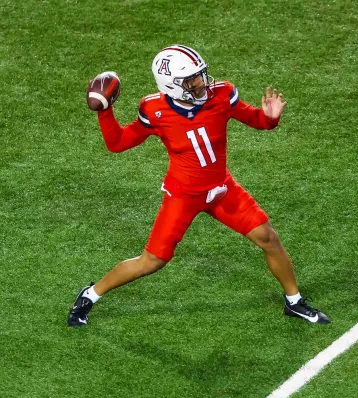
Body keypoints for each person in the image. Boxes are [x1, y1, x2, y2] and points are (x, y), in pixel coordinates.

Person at [68, 44, 330, 327]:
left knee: (268, 238)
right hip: (183, 196)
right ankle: (91, 294)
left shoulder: (222, 94)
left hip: (221, 189)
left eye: (200, 75)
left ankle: (294, 302)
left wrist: (270, 117)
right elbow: (117, 143)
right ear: (171, 85)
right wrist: (104, 112)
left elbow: (257, 121)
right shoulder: (154, 109)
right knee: (152, 261)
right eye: (191, 80)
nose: (200, 83)